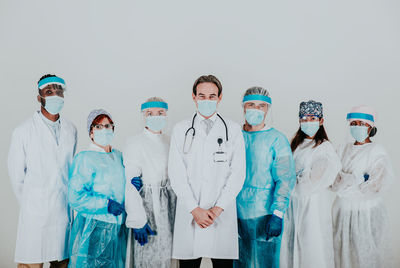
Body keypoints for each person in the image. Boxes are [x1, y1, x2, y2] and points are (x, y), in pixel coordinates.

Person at [168, 75, 246, 268]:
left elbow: (238, 174)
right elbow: (176, 173)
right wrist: (195, 209)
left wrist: (217, 209)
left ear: (220, 98)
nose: (206, 100)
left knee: (222, 262)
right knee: (188, 263)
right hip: (190, 214)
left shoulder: (233, 130)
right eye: (201, 96)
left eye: (212, 96)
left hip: (221, 215)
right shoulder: (180, 129)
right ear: (193, 97)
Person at [8, 74, 77, 268]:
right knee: (31, 263)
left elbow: (70, 169)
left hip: (63, 210)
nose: (55, 96)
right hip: (35, 214)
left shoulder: (71, 129)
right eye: (49, 92)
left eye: (59, 92)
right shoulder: (23, 131)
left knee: (62, 262)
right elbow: (16, 176)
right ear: (39, 97)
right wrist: (32, 204)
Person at [235, 87, 296, 268]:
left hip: (266, 212)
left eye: (261, 106)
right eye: (251, 104)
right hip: (235, 212)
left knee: (265, 262)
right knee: (239, 260)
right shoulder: (234, 137)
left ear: (267, 109)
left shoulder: (277, 139)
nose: (256, 109)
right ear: (244, 107)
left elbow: (285, 180)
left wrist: (277, 213)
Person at [331, 105, 394, 268]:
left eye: (361, 123)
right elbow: (333, 180)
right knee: (342, 253)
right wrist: (358, 180)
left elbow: (377, 185)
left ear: (371, 127)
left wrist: (348, 181)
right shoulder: (342, 149)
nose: (356, 127)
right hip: (343, 211)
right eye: (353, 123)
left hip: (366, 213)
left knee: (366, 255)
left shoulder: (376, 151)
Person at [280, 100, 341, 268]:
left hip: (313, 206)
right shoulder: (296, 145)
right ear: (299, 121)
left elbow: (316, 180)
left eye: (313, 118)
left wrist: (294, 178)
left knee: (312, 247)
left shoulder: (324, 148)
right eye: (304, 119)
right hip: (293, 203)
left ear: (321, 121)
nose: (308, 122)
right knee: (292, 246)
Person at [68, 109, 127, 268]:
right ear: (91, 132)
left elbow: (124, 186)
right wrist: (105, 204)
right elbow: (75, 198)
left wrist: (135, 183)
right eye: (98, 126)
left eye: (108, 126)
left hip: (119, 225)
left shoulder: (120, 156)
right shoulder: (85, 158)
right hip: (96, 225)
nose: (104, 130)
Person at [124, 97, 176, 268]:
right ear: (143, 116)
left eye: (160, 113)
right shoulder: (134, 143)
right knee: (147, 258)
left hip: (171, 206)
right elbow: (131, 185)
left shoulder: (171, 141)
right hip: (147, 207)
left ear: (166, 115)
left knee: (168, 256)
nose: (155, 117)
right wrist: (137, 219)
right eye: (150, 113)